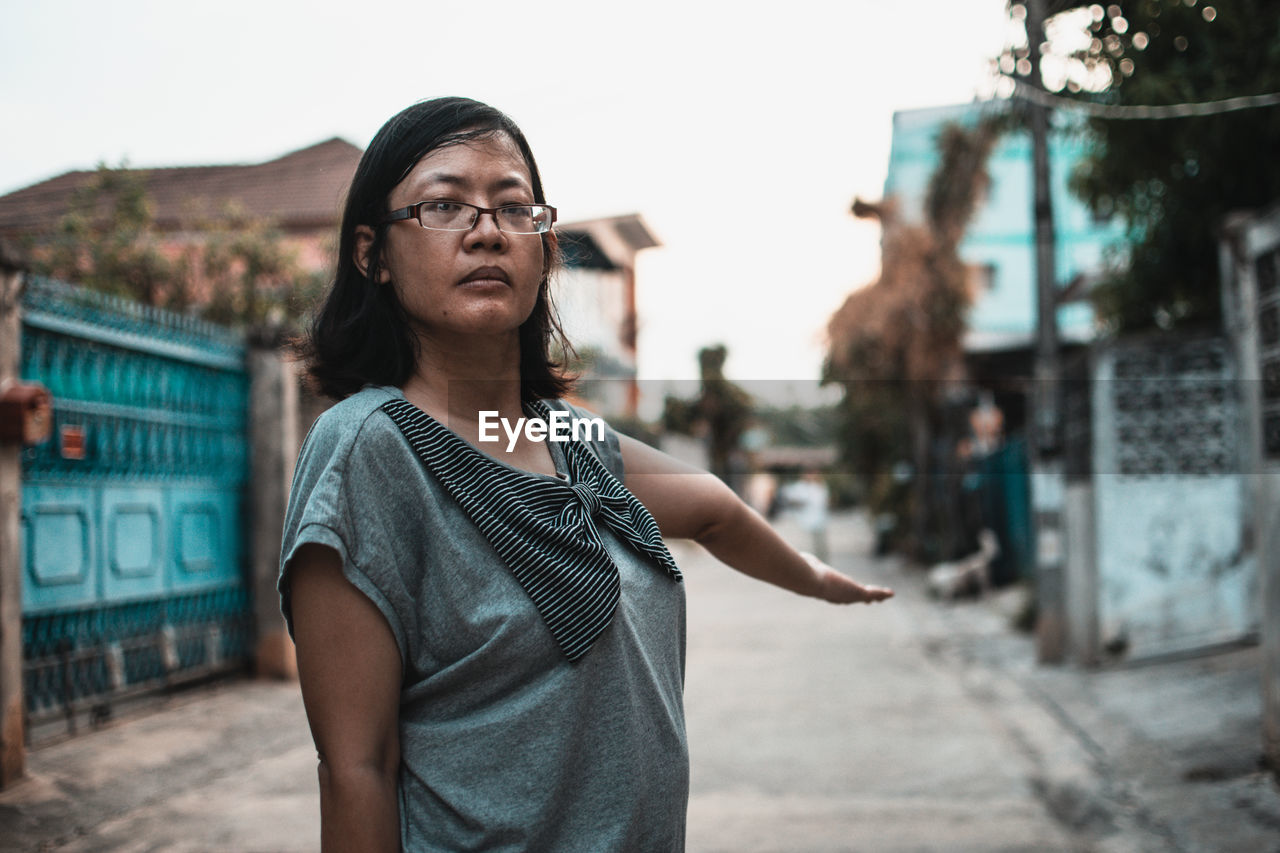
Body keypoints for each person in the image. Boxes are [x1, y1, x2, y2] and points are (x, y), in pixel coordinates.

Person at [279, 96, 893, 852]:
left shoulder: (560, 438)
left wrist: (816, 577)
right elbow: (356, 770)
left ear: (543, 245)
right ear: (373, 254)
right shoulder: (369, 450)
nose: (486, 231)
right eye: (443, 205)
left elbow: (713, 511)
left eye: (512, 207)